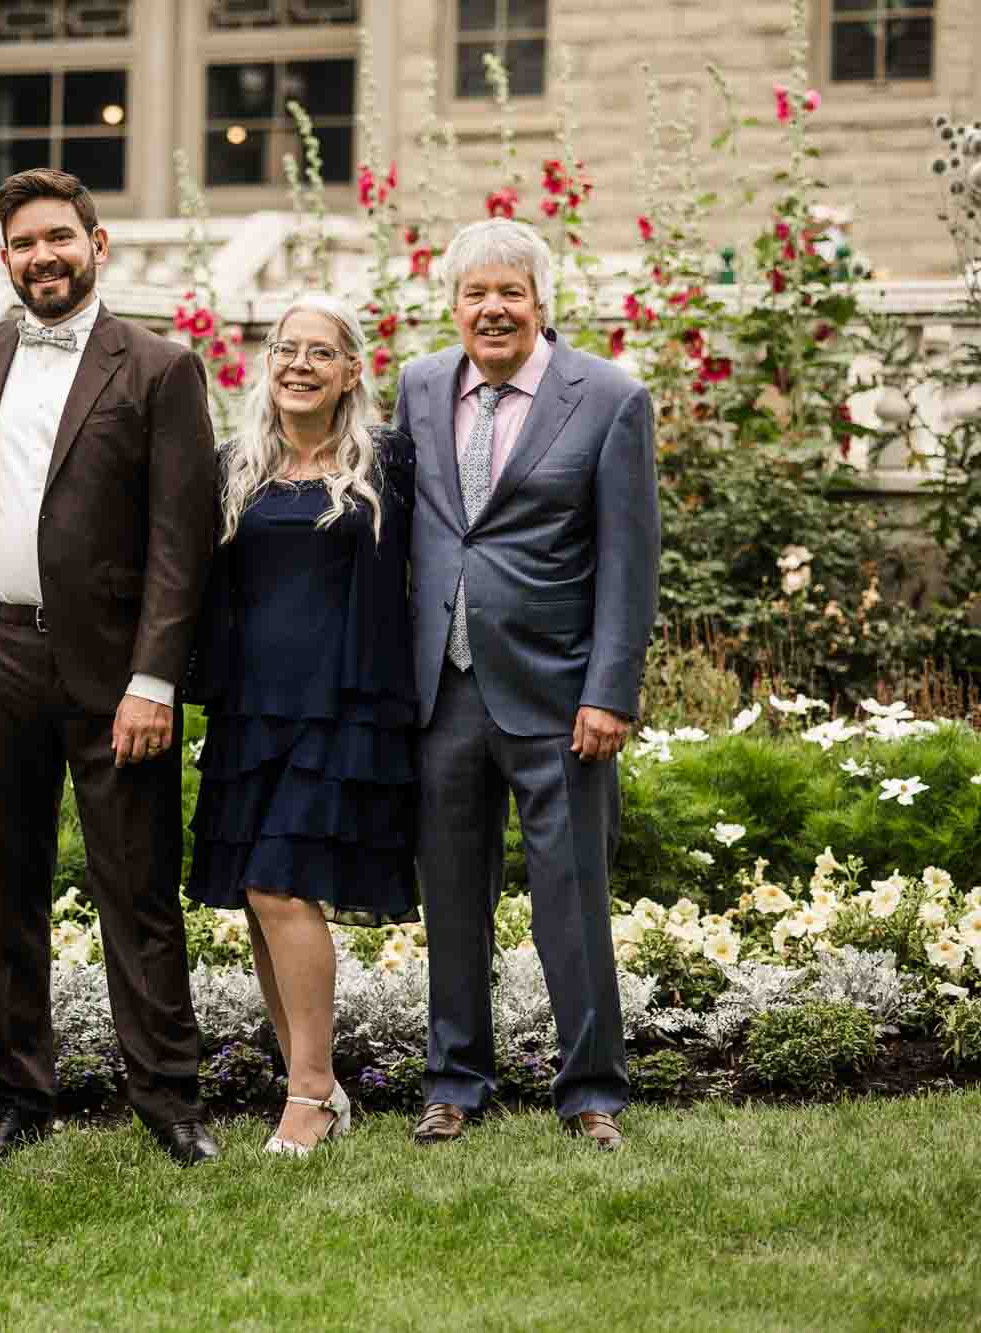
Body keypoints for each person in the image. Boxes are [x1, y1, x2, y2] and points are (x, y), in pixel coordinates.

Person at [0, 168, 222, 1167]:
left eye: (58, 237)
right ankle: (19, 1091)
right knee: (2, 885)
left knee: (134, 887)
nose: (41, 256)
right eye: (22, 243)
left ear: (98, 245)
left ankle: (168, 1097)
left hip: (111, 671)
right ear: (2, 257)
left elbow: (183, 540)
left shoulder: (158, 368)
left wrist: (153, 678)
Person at [396, 218, 659, 1152]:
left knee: (572, 897)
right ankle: (453, 1083)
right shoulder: (421, 386)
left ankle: (592, 1090)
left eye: (511, 292)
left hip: (560, 698)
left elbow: (630, 562)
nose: (493, 309)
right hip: (445, 690)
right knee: (453, 898)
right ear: (454, 306)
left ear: (543, 304)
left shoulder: (611, 399)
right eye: (476, 294)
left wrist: (611, 691)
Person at [187, 294, 418, 1156]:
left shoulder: (388, 465)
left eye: (322, 352)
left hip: (343, 703)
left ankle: (311, 1091)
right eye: (287, 348)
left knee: (281, 883)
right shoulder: (232, 467)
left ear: (352, 372)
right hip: (251, 706)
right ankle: (312, 1079)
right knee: (256, 894)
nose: (299, 364)